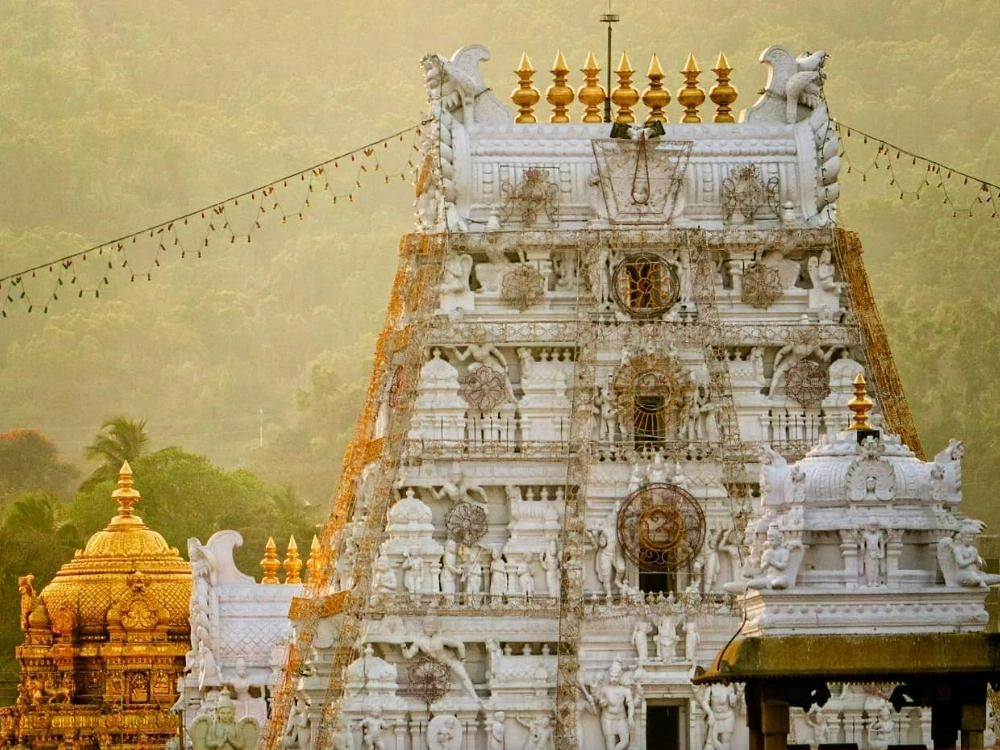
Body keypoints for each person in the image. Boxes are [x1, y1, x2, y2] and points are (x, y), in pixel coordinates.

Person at [402, 617, 479, 701]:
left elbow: (460, 645)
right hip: (437, 665)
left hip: (451, 660)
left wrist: (462, 659)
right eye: (428, 627)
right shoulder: (419, 641)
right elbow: (408, 655)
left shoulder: (440, 638)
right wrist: (403, 647)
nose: (430, 630)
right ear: (424, 627)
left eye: (433, 628)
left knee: (464, 676)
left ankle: (474, 697)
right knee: (428, 677)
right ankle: (440, 699)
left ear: (436, 628)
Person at [594, 660, 634, 750]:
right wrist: (602, 704)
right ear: (609, 675)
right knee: (610, 743)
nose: (614, 679)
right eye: (612, 676)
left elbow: (630, 704)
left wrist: (630, 716)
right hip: (607, 718)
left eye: (616, 676)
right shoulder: (605, 689)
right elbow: (598, 702)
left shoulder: (625, 690)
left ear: (620, 676)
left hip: (621, 717)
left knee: (625, 741)